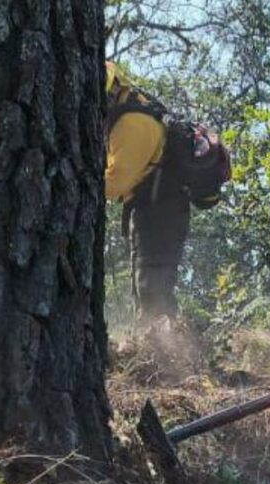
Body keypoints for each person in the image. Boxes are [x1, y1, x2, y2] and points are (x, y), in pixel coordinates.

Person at [104, 62, 227, 323]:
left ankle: (168, 353)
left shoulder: (132, 124)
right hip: (156, 206)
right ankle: (156, 345)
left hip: (161, 210)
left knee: (152, 286)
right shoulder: (134, 109)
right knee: (146, 282)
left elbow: (114, 186)